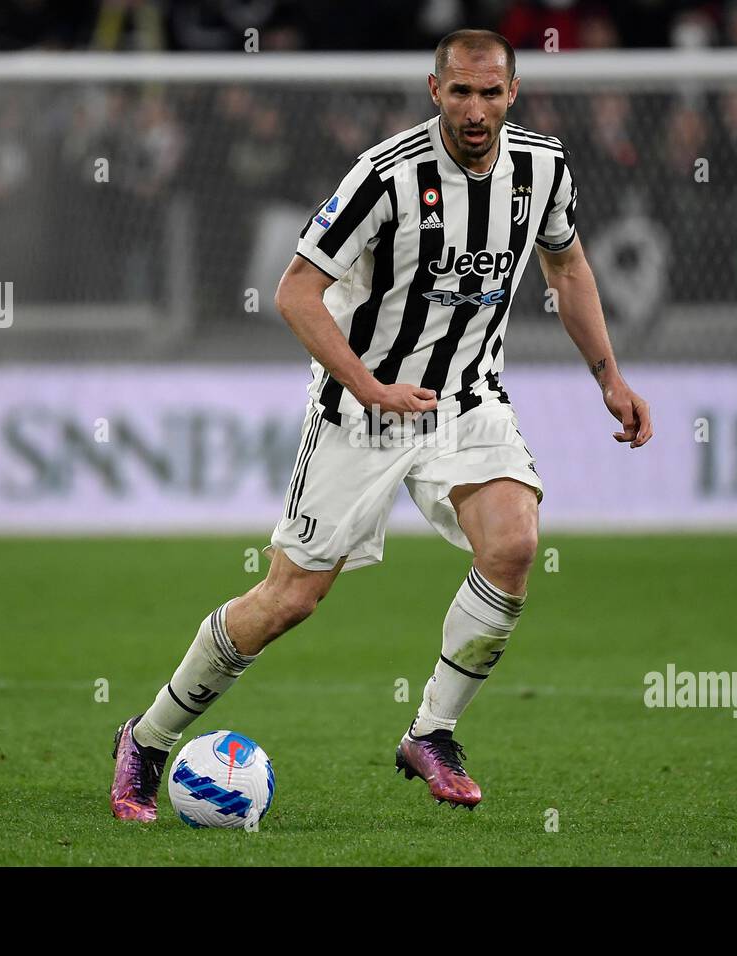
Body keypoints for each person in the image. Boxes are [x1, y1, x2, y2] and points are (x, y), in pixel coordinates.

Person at [110, 28, 652, 819]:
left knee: (514, 542)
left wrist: (609, 375)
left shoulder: (542, 168)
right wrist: (367, 384)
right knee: (289, 598)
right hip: (358, 411)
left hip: (466, 401)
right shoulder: (384, 176)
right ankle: (147, 739)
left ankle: (431, 731)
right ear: (435, 91)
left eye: (490, 92)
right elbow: (295, 290)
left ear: (513, 93)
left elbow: (567, 266)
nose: (475, 109)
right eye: (459, 92)